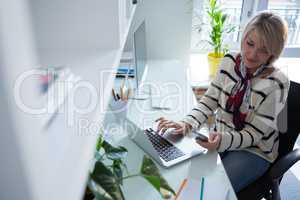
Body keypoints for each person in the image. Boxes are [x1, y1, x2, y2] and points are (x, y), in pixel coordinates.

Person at [156, 11, 290, 193]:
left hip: (254, 150)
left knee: (211, 191)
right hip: (221, 137)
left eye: (263, 50)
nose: (251, 54)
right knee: (184, 180)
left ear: (273, 54)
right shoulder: (229, 62)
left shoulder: (277, 83)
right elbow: (208, 102)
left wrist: (220, 141)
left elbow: (254, 135)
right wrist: (186, 123)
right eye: (249, 43)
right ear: (243, 37)